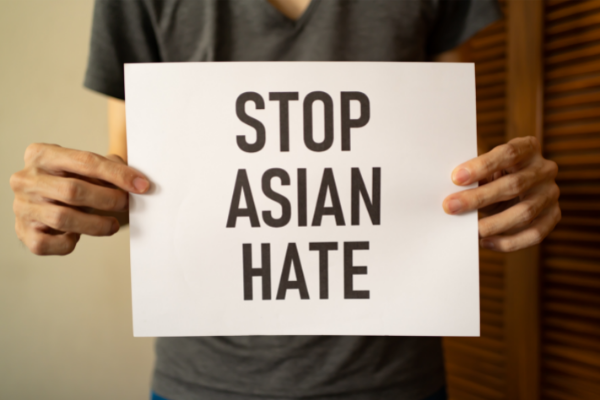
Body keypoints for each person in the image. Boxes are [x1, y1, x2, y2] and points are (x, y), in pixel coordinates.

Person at [9, 1, 561, 399]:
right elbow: (133, 182)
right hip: (201, 384)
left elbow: (447, 161)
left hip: (393, 380)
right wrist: (63, 202)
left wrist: (505, 192)